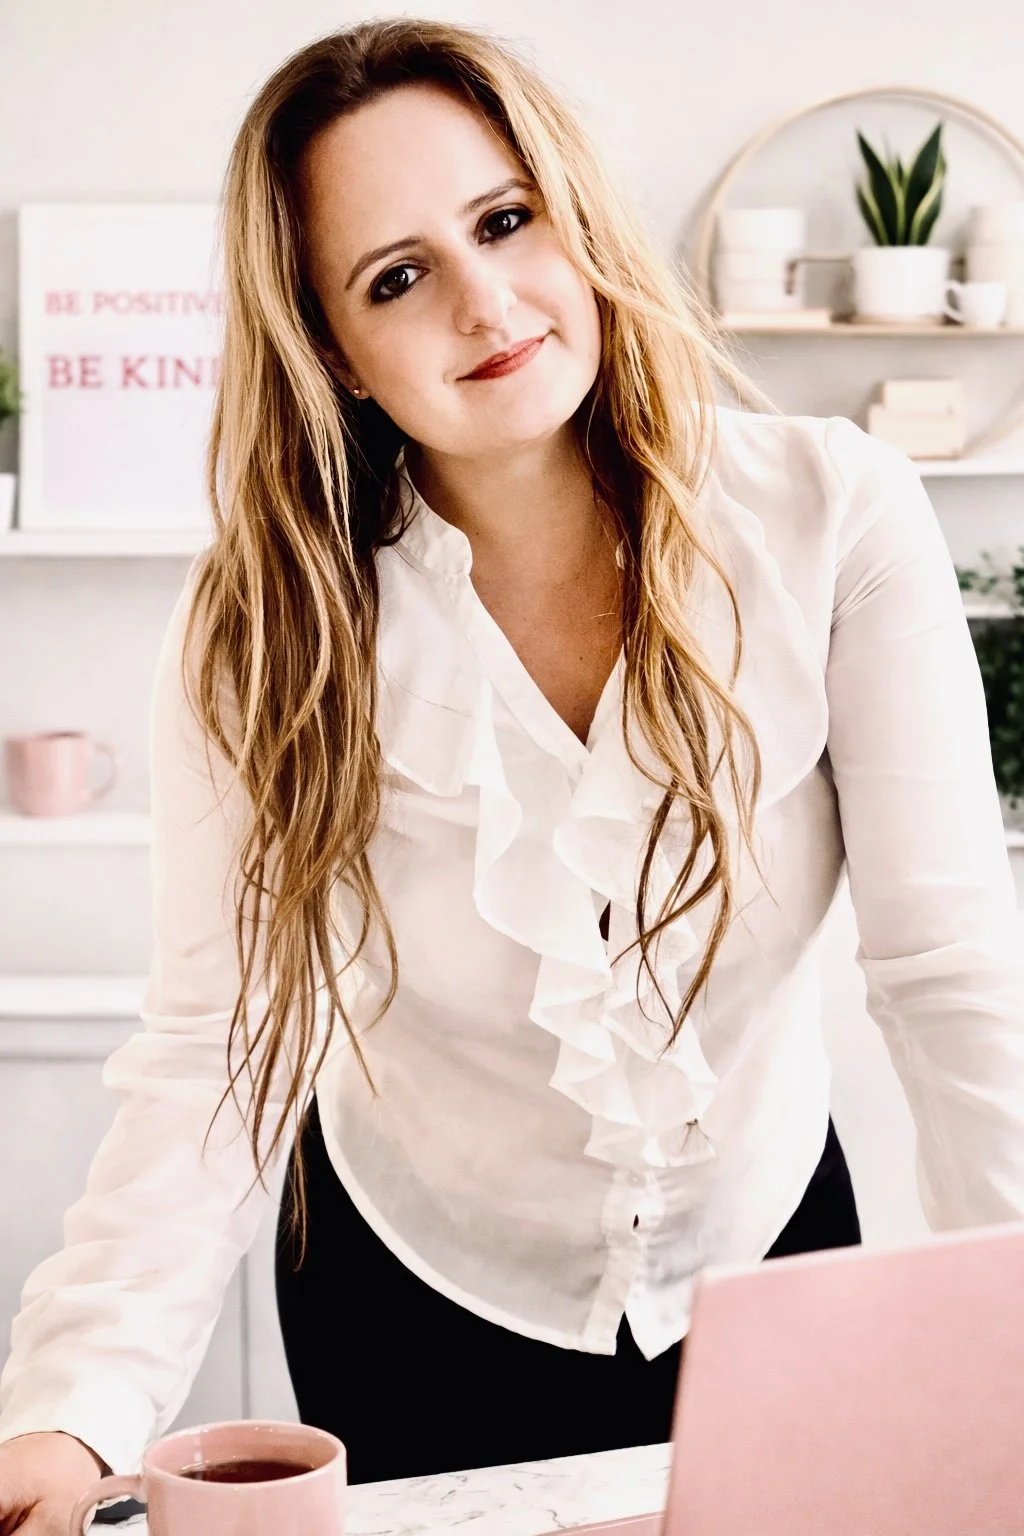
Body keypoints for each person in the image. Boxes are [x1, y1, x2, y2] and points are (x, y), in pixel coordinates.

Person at [3, 14, 1024, 1528]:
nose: (486, 302)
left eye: (504, 220)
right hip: (411, 1288)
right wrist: (69, 1411)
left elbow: (948, 977)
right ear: (333, 351)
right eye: (395, 277)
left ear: (575, 213)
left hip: (766, 1268)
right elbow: (216, 1049)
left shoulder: (835, 515)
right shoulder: (263, 629)